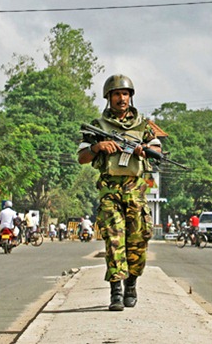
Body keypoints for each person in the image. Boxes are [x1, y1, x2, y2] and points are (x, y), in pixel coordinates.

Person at [78, 74, 160, 311]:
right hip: (110, 192)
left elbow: (157, 151)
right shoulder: (99, 126)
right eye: (116, 94)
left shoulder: (144, 126)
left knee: (138, 241)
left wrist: (144, 150)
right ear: (109, 98)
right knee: (114, 240)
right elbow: (82, 157)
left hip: (136, 192)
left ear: (130, 97)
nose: (121, 98)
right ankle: (116, 291)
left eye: (125, 94)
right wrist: (97, 146)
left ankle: (131, 285)